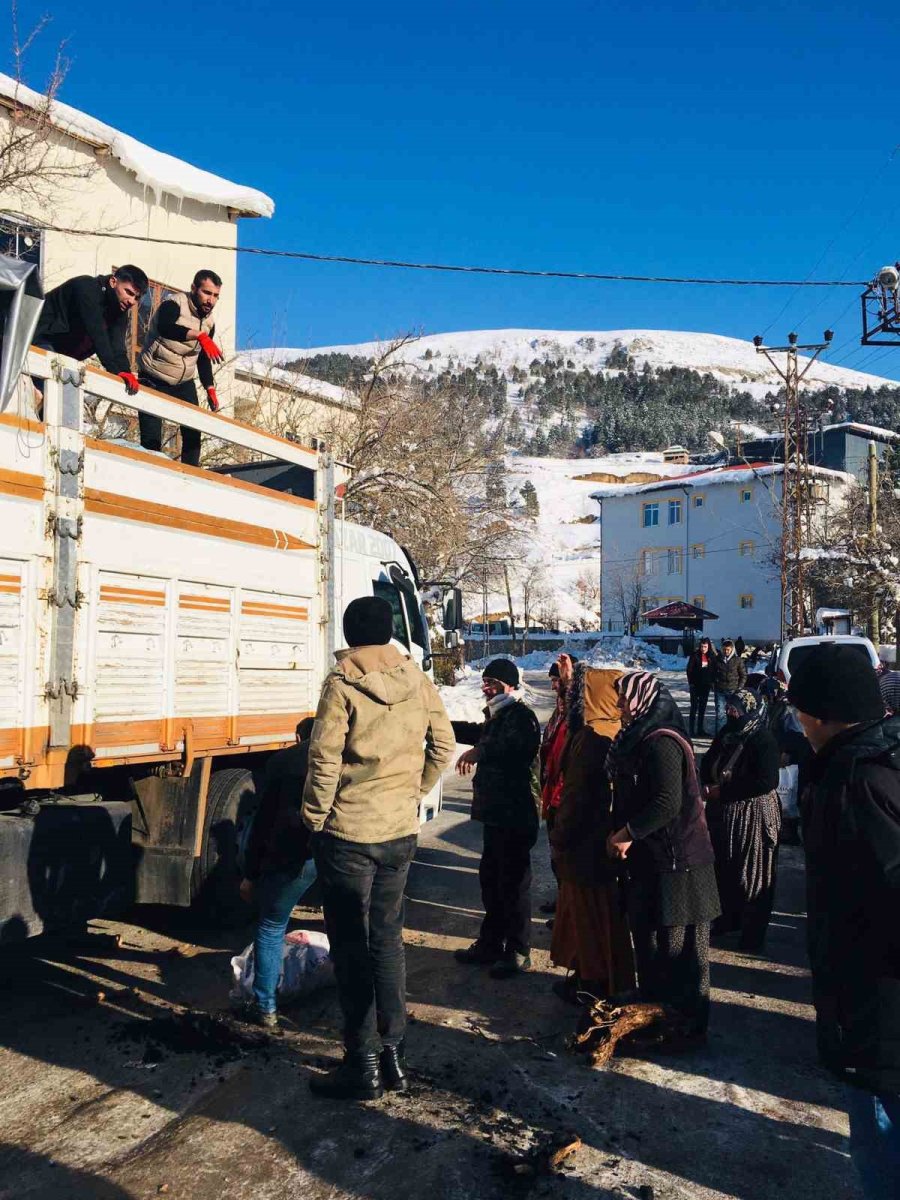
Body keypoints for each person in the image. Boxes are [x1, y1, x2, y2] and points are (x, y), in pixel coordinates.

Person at [302, 596, 455, 1101]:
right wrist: (412, 791)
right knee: (387, 943)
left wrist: (314, 817)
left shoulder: (342, 683)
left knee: (351, 949)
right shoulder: (417, 679)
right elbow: (443, 745)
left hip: (348, 835)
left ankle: (362, 1063)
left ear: (350, 633)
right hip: (398, 832)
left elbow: (323, 760)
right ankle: (396, 1056)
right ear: (389, 632)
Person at [787, 645, 900, 1200]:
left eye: (801, 710)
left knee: (879, 1143)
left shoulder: (858, 786)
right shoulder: (868, 761)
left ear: (827, 714)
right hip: (869, 999)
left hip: (877, 1007)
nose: (798, 720)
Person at [606, 671, 721, 1042]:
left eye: (624, 699)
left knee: (680, 953)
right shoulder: (640, 738)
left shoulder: (661, 743)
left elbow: (666, 803)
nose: (620, 706)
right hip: (659, 862)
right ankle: (655, 1017)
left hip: (680, 864)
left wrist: (628, 833)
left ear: (642, 700)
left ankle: (681, 1028)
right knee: (655, 946)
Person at [549, 663, 635, 1003]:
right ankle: (593, 978)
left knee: (588, 919)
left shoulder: (591, 739)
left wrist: (560, 834)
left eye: (582, 693)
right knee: (595, 917)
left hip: (585, 846)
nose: (577, 700)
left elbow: (575, 796)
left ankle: (593, 982)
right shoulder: (614, 730)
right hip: (601, 843)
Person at [453, 658, 542, 979]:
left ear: (510, 685)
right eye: (485, 681)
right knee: (491, 881)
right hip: (496, 815)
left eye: (493, 682)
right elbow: (479, 733)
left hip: (517, 814)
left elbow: (512, 747)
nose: (486, 687)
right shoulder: (497, 716)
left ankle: (518, 950)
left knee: (514, 884)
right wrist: (438, 723)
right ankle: (491, 943)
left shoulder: (522, 717)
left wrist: (480, 753)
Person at [238, 718, 318, 1031]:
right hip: (329, 853)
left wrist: (250, 874)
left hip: (287, 857)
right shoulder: (344, 757)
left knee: (271, 925)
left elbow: (263, 822)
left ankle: (265, 1007)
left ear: (298, 736)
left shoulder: (282, 762)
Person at [700, 689, 781, 951]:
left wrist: (724, 791)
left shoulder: (762, 739)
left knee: (754, 872)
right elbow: (710, 760)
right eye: (729, 706)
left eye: (735, 707)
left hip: (753, 814)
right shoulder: (727, 734)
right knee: (726, 868)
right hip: (723, 813)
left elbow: (766, 781)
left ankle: (753, 934)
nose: (730, 711)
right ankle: (728, 919)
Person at [137, 270, 224, 466]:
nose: (210, 300)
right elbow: (165, 328)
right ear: (194, 288)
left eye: (215, 296)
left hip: (183, 380)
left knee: (193, 431)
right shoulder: (174, 303)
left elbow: (202, 355)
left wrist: (209, 386)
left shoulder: (209, 322)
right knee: (151, 437)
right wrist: (198, 335)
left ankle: (191, 476)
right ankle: (151, 475)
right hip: (154, 374)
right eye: (206, 293)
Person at [34, 266, 149, 395]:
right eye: (129, 292)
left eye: (137, 298)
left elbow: (117, 348)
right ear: (113, 282)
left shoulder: (119, 311)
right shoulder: (86, 287)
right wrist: (115, 370)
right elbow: (97, 332)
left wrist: (126, 373)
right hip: (40, 340)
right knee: (47, 395)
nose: (132, 301)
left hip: (65, 357)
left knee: (63, 400)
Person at [539, 653, 576, 916]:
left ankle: (569, 910)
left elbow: (577, 704)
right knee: (556, 856)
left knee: (566, 857)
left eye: (557, 682)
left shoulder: (575, 720)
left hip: (565, 797)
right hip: (552, 794)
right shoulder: (557, 716)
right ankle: (563, 902)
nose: (555, 688)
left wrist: (568, 681)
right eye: (553, 682)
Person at [713, 639, 747, 732]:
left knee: (733, 714)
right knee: (720, 714)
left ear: (732, 649)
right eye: (724, 649)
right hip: (720, 690)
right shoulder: (717, 659)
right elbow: (711, 673)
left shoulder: (737, 660)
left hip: (733, 690)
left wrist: (739, 687)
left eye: (728, 650)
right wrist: (714, 684)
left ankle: (732, 733)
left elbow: (743, 675)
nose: (726, 652)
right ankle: (720, 734)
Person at [686, 636, 716, 737]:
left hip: (705, 686)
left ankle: (700, 729)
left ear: (709, 647)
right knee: (694, 708)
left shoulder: (711, 656)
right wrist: (691, 683)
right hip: (695, 685)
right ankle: (691, 730)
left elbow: (713, 670)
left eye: (705, 647)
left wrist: (712, 682)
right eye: (702, 646)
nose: (703, 649)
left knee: (702, 708)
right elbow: (689, 670)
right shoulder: (695, 655)